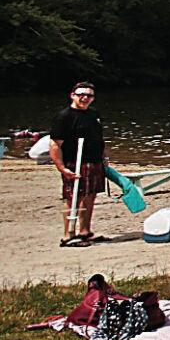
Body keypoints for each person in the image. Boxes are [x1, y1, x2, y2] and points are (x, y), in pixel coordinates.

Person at [49, 81, 106, 247]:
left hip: (94, 161)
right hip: (74, 162)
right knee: (73, 197)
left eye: (89, 95)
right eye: (81, 94)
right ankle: (68, 235)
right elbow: (55, 145)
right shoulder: (64, 117)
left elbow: (99, 138)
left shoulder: (94, 114)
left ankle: (85, 231)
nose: (85, 98)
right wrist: (62, 168)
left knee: (90, 196)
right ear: (72, 95)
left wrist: (104, 158)